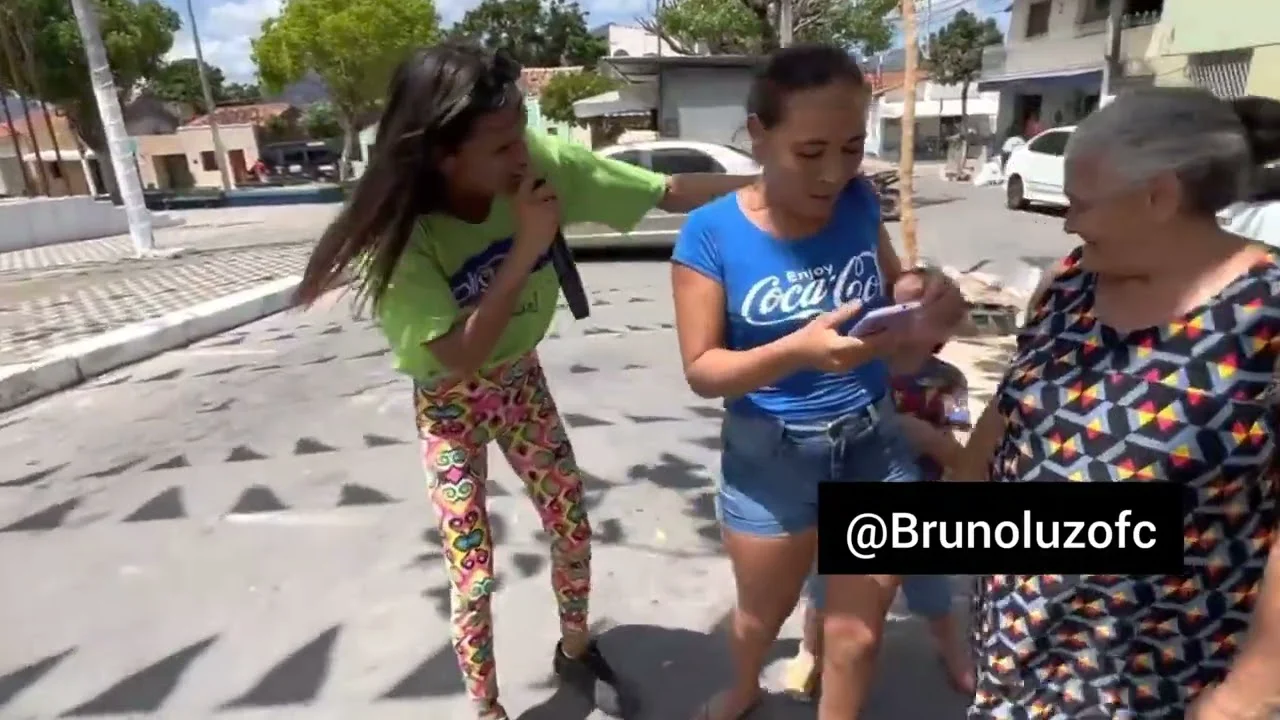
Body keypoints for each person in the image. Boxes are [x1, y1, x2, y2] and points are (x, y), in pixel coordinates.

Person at [292, 43, 756, 720]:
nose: (523, 156)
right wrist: (529, 246)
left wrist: (778, 182)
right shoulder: (403, 239)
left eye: (522, 135)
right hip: (450, 402)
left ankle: (575, 649)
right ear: (444, 154)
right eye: (502, 146)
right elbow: (460, 355)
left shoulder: (536, 161)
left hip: (519, 383)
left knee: (571, 525)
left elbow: (668, 191)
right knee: (473, 574)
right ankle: (488, 709)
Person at [959, 87, 1280, 719]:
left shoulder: (1265, 317)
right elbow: (1010, 416)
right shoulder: (1072, 282)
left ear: (1159, 196)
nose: (1069, 223)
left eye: (1081, 203)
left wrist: (1250, 692)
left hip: (1155, 679)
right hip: (1017, 651)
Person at [669, 44, 967, 720]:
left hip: (874, 443)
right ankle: (745, 687)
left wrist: (923, 296)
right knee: (760, 615)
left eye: (852, 148)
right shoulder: (710, 233)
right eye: (810, 152)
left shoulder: (859, 201)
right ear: (759, 135)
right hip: (771, 456)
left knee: (856, 638)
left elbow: (894, 290)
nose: (834, 172)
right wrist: (795, 353)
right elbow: (703, 370)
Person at [782, 272, 976, 702]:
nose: (897, 314)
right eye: (893, 304)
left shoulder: (949, 382)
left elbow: (959, 448)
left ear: (942, 331)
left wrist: (929, 439)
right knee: (825, 590)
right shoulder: (857, 370)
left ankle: (953, 652)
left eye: (914, 308)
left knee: (933, 593)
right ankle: (810, 650)